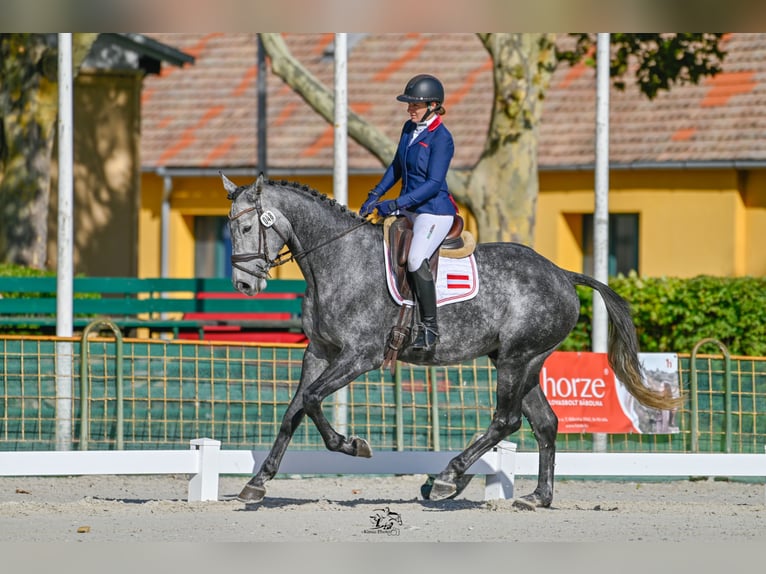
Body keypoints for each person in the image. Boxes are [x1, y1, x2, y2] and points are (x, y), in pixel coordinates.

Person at [359, 74, 457, 351]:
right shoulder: (409, 128)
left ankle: (429, 327)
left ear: (433, 105)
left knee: (415, 259)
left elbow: (433, 184)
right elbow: (396, 167)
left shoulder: (442, 138)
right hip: (410, 207)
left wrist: (396, 204)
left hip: (434, 211)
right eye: (409, 105)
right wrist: (375, 195)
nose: (409, 109)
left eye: (415, 105)